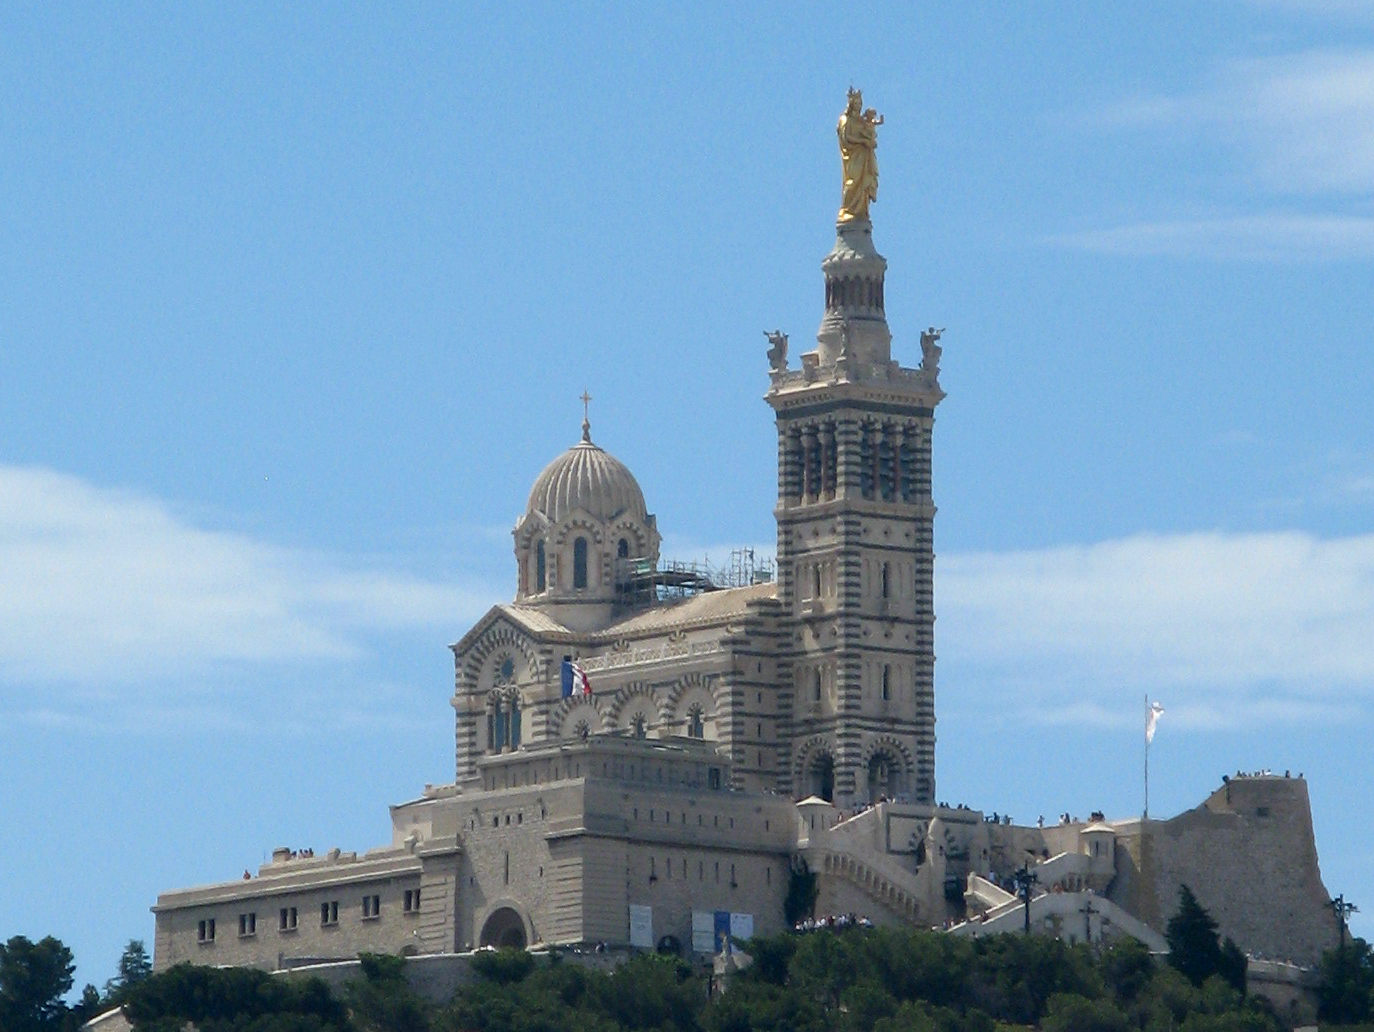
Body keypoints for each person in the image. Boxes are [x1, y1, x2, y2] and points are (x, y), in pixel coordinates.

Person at [837, 88, 883, 222]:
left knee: (863, 183)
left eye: (860, 103)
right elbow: (847, 138)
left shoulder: (860, 120)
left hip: (864, 156)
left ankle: (861, 210)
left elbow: (869, 129)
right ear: (851, 104)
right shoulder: (845, 119)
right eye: (856, 103)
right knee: (852, 182)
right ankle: (847, 210)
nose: (858, 106)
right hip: (853, 156)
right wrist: (863, 141)